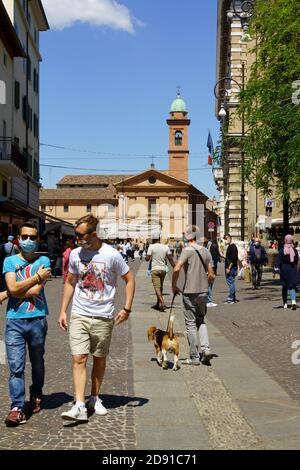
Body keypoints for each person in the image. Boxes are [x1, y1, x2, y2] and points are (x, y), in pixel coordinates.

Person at [58, 215, 135, 423]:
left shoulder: (112, 255)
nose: (77, 239)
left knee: (99, 358)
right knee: (79, 358)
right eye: (75, 235)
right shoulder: (75, 254)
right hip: (80, 314)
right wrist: (63, 310)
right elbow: (70, 282)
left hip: (103, 316)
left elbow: (129, 279)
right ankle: (80, 405)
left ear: (93, 234)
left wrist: (127, 308)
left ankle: (95, 397)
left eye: (80, 235)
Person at [3, 222, 52, 426]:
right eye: (25, 237)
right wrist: (37, 276)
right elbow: (13, 288)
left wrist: (9, 292)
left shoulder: (44, 259)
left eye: (32, 237)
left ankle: (36, 394)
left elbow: (34, 292)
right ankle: (17, 407)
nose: (28, 241)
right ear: (18, 238)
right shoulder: (9, 261)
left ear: (38, 239)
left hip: (37, 320)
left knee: (37, 362)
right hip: (14, 320)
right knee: (15, 367)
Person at [172, 225, 215, 365]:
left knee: (190, 324)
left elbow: (177, 268)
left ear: (188, 237)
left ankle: (194, 357)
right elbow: (211, 274)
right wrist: (205, 284)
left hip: (189, 291)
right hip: (203, 292)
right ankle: (206, 349)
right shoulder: (205, 251)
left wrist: (173, 285)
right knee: (201, 320)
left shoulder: (186, 251)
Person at [146, 237, 175, 312]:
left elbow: (147, 259)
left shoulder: (151, 247)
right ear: (159, 239)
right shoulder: (166, 247)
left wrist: (149, 254)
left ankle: (163, 303)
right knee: (160, 287)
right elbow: (170, 259)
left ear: (153, 240)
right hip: (163, 269)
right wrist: (175, 268)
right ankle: (157, 304)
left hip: (155, 269)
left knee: (157, 287)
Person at [276, 234, 298, 310]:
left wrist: (276, 269)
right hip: (292, 269)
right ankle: (293, 302)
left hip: (284, 270)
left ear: (285, 240)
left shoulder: (282, 250)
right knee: (292, 287)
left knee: (284, 287)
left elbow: (278, 260)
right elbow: (296, 260)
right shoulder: (294, 250)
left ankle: (285, 303)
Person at [224, 234, 238, 304]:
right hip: (230, 267)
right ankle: (233, 298)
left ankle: (231, 298)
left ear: (230, 238)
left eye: (227, 238)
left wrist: (229, 268)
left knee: (231, 282)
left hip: (232, 268)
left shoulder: (233, 247)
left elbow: (233, 258)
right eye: (225, 238)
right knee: (230, 282)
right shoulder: (229, 246)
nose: (226, 240)